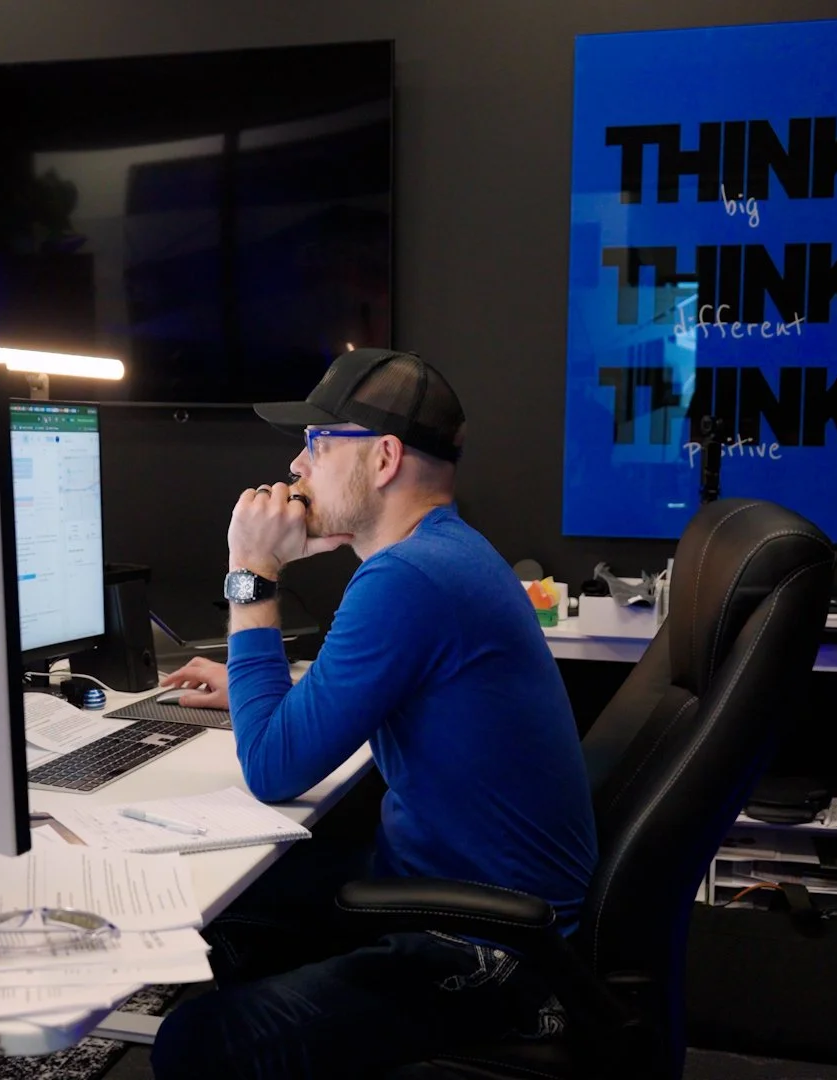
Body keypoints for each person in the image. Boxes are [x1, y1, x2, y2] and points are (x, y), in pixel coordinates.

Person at [149, 348, 599, 1080]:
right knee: (229, 910)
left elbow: (272, 767)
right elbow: (334, 710)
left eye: (318, 443)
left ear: (384, 457)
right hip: (457, 892)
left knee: (196, 1044)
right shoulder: (442, 553)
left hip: (491, 945)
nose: (297, 464)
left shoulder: (410, 577)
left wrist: (251, 572)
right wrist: (253, 685)